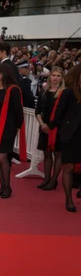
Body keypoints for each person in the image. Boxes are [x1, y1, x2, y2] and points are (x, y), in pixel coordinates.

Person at [0, 64, 25, 199]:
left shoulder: (13, 90)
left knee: (2, 157)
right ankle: (2, 186)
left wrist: (16, 128)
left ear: (3, 74)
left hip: (8, 127)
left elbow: (18, 111)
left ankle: (8, 187)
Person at [51, 64, 81, 212]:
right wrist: (62, 131)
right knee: (68, 167)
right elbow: (58, 115)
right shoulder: (68, 93)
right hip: (70, 136)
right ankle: (69, 199)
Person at [35, 67, 65, 191]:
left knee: (58, 154)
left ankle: (53, 180)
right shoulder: (43, 91)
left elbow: (63, 113)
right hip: (44, 127)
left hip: (58, 128)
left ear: (62, 78)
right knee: (46, 154)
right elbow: (38, 110)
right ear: (49, 76)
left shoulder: (64, 93)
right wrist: (42, 124)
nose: (55, 78)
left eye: (58, 76)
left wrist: (51, 126)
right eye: (53, 75)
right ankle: (46, 179)